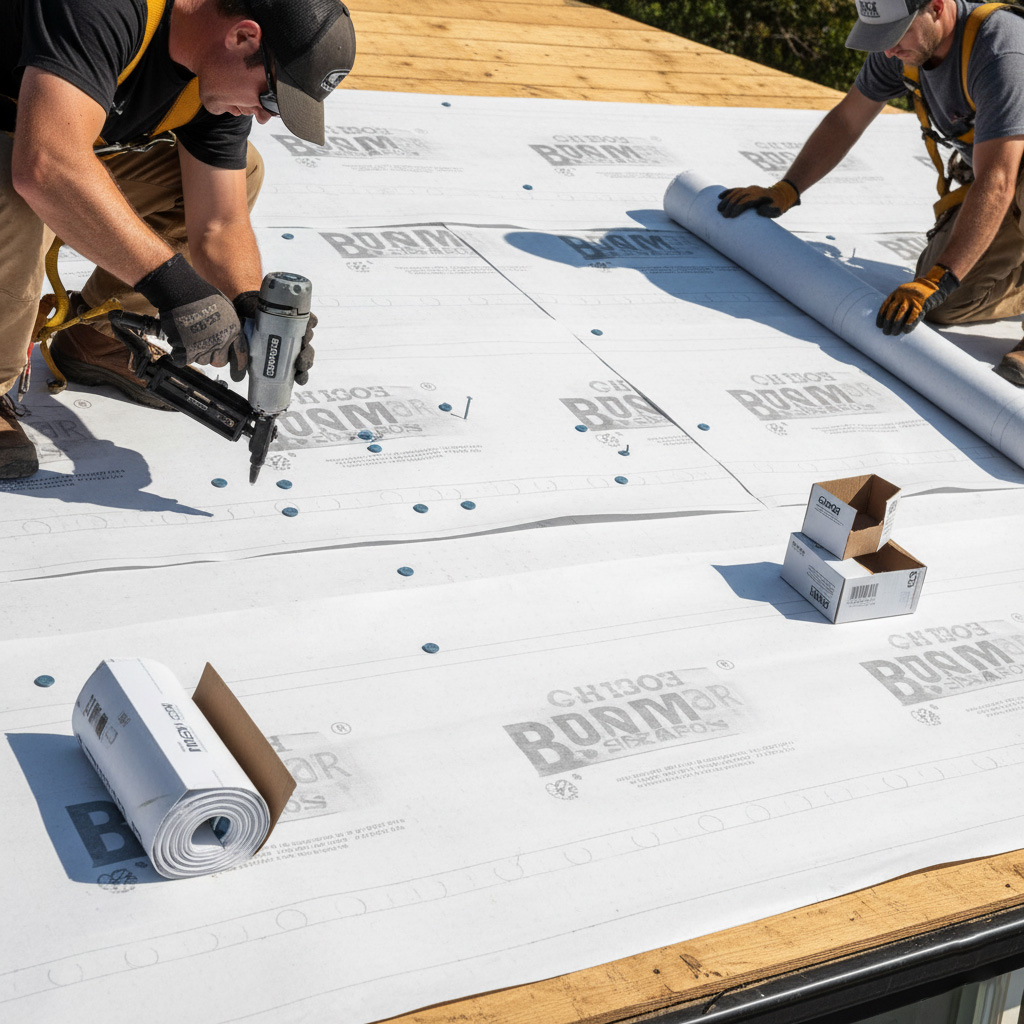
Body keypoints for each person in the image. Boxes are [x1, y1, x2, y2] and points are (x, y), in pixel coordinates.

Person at [0, 0, 356, 478]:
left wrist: (250, 306)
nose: (267, 117)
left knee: (241, 170)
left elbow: (219, 224)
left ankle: (100, 339)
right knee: (16, 186)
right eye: (271, 98)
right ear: (243, 37)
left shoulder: (213, 72)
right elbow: (46, 165)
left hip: (37, 141)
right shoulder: (108, 10)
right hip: (25, 153)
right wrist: (176, 288)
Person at [717, 0, 1024, 387]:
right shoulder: (903, 51)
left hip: (1005, 173)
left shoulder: (1001, 48)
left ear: (936, 7)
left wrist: (939, 277)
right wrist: (788, 187)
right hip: (1002, 172)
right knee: (948, 304)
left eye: (896, 35)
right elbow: (848, 119)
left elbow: (997, 180)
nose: (889, 49)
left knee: (944, 277)